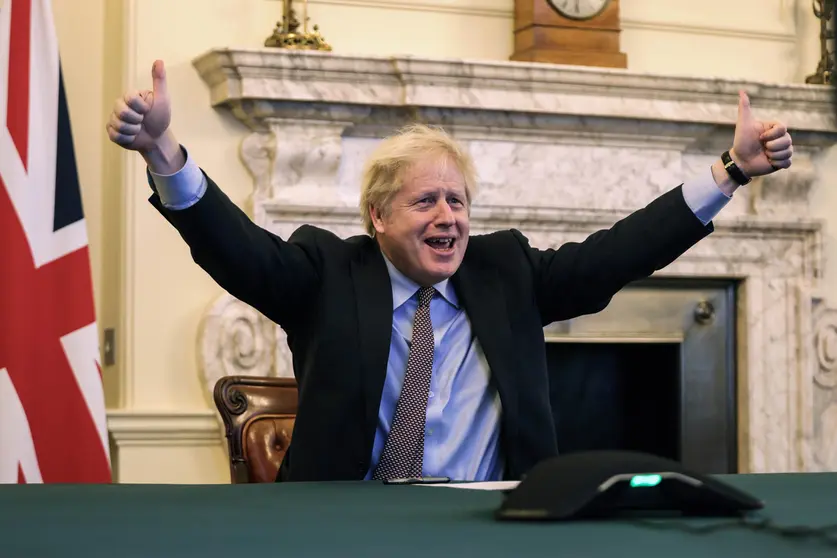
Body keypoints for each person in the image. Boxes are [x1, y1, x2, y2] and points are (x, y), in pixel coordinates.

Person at [107, 60, 793, 483]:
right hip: (348, 525)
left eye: (457, 201)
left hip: (489, 522)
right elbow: (237, 249)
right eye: (426, 200)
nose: (448, 217)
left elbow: (619, 251)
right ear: (377, 216)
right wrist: (164, 152)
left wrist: (728, 173)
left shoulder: (506, 272)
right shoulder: (328, 272)